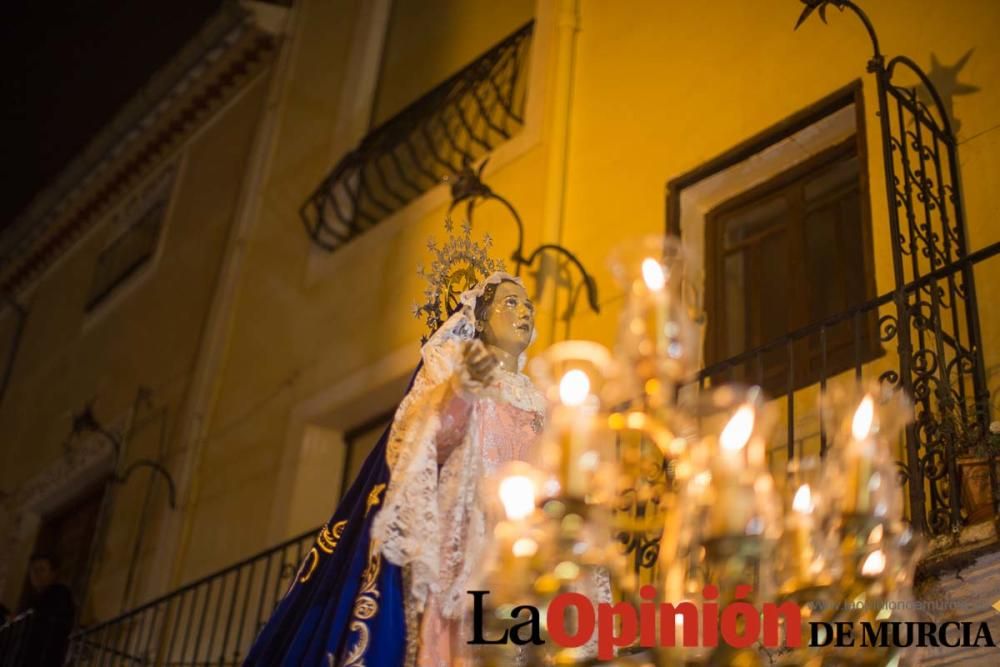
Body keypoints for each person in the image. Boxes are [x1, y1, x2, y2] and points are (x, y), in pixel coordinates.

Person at [245, 271, 542, 666]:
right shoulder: (450, 373)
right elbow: (426, 441)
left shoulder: (541, 403)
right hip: (464, 557)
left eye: (527, 305)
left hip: (522, 565)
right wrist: (463, 390)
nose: (524, 311)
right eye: (510, 302)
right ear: (481, 319)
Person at [17, 553, 75, 667]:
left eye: (41, 570)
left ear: (53, 573)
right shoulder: (32, 601)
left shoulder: (60, 593)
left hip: (45, 657)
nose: (36, 574)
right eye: (33, 571)